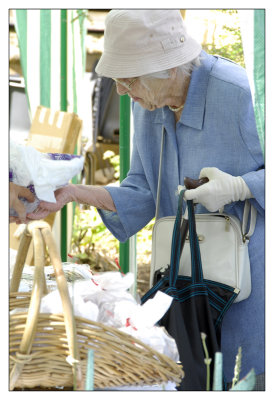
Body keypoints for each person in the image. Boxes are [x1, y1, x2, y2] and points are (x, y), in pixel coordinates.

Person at [26, 10, 265, 390]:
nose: (121, 91)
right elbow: (141, 191)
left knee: (246, 379)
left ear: (169, 68)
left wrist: (240, 187)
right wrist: (71, 193)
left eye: (128, 79)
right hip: (183, 275)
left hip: (247, 280)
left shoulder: (240, 90)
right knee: (185, 373)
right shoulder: (148, 103)